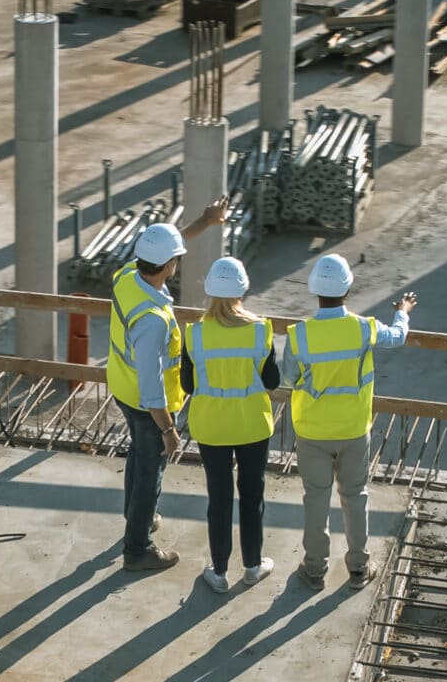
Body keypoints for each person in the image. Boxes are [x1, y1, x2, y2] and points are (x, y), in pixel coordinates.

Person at [106, 202, 231, 571]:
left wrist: (205, 222)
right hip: (148, 406)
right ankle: (137, 548)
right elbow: (150, 386)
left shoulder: (127, 275)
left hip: (121, 388)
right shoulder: (152, 321)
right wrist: (168, 429)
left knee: (138, 457)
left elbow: (168, 247)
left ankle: (136, 517)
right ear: (168, 267)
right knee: (150, 474)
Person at [283, 254, 414, 589]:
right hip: (354, 429)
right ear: (347, 289)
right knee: (355, 496)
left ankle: (314, 569)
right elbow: (398, 337)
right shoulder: (363, 328)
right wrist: (403, 312)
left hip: (312, 430)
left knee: (315, 498)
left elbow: (289, 378)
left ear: (315, 291)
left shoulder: (299, 336)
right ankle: (358, 569)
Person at [181, 256, 279, 593]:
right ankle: (253, 567)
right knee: (252, 497)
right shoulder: (260, 330)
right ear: (242, 290)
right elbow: (272, 381)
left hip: (211, 427)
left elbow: (188, 386)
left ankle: (219, 572)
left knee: (218, 498)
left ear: (209, 291)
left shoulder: (194, 335)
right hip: (252, 424)